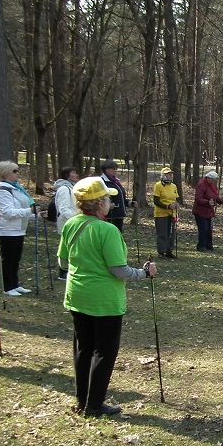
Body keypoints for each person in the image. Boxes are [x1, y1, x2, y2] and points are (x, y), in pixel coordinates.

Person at [57, 176, 158, 417]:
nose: (110, 204)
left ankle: (82, 400)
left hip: (77, 295)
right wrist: (144, 273)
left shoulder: (71, 224)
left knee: (83, 348)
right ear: (98, 203)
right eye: (107, 200)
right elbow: (119, 270)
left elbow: (63, 262)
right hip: (104, 300)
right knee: (104, 351)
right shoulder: (107, 230)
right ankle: (94, 405)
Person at [0, 159, 38, 296]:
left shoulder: (17, 188)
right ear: (5, 173)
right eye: (14, 171)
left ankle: (15, 284)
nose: (17, 173)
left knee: (15, 259)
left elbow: (23, 209)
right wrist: (30, 211)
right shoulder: (3, 189)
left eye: (17, 170)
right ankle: (8, 287)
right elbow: (8, 212)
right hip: (7, 230)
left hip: (19, 229)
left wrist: (37, 214)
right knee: (8, 259)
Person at [53, 167, 80, 279]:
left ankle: (70, 269)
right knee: (66, 248)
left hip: (74, 222)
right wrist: (77, 219)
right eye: (74, 172)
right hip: (67, 223)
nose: (76, 174)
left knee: (73, 247)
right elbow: (63, 209)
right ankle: (63, 272)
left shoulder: (72, 187)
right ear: (67, 175)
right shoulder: (64, 189)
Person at [98, 159, 134, 233]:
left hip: (118, 215)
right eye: (113, 169)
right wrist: (108, 205)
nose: (115, 171)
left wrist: (129, 203)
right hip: (109, 215)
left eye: (116, 169)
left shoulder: (115, 181)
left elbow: (120, 197)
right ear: (106, 170)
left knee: (118, 234)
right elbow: (99, 198)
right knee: (109, 235)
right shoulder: (101, 181)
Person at [192, 170, 223, 251]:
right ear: (208, 178)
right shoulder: (201, 185)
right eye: (213, 180)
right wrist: (207, 202)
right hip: (200, 211)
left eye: (214, 180)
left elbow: (214, 195)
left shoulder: (211, 185)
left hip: (208, 211)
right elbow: (198, 198)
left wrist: (219, 200)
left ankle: (208, 246)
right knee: (203, 229)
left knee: (209, 229)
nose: (214, 181)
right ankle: (201, 246)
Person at [152, 167, 179, 258]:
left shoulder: (174, 186)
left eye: (171, 174)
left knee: (171, 233)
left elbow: (176, 198)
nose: (170, 176)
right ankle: (161, 252)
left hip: (172, 213)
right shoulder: (158, 185)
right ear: (163, 175)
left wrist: (176, 205)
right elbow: (156, 201)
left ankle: (169, 251)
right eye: (168, 174)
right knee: (162, 233)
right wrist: (167, 206)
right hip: (161, 213)